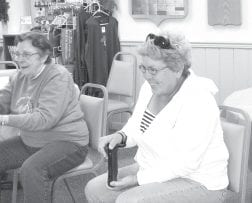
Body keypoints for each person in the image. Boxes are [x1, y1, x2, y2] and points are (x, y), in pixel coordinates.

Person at [85, 31, 230, 202]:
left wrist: (138, 179)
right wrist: (121, 136)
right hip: (153, 168)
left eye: (153, 70)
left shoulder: (199, 100)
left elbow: (185, 163)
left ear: (178, 69)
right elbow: (136, 124)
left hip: (198, 181)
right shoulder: (150, 88)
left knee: (129, 201)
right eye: (143, 68)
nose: (147, 76)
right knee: (95, 189)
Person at [0, 31, 89, 203]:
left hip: (68, 143)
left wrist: (3, 119)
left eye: (26, 54)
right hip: (32, 141)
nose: (19, 59)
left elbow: (44, 119)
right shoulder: (19, 76)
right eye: (17, 53)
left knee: (32, 169)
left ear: (43, 57)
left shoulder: (58, 76)